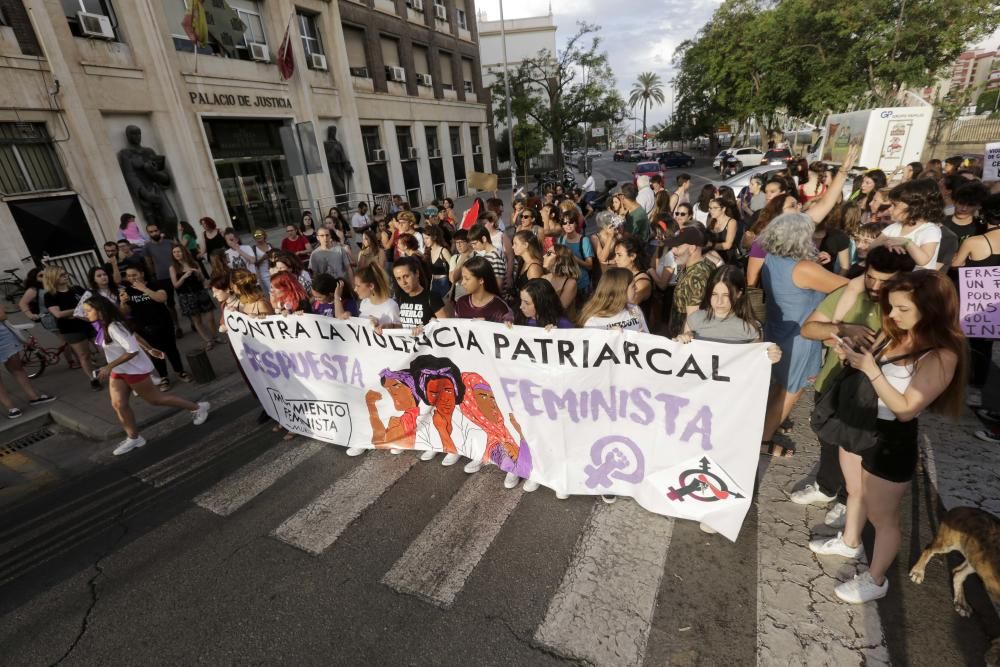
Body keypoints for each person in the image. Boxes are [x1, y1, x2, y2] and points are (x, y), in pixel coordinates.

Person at [809, 271, 965, 604]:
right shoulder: (894, 330)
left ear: (931, 309)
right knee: (854, 492)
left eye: (902, 309)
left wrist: (870, 370)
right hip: (859, 422)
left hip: (891, 438)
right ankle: (850, 540)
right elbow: (868, 366)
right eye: (891, 307)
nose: (891, 315)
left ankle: (876, 579)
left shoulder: (941, 355)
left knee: (883, 517)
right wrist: (851, 358)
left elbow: (907, 408)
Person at [793, 247, 916, 527]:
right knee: (828, 441)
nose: (875, 286)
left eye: (885, 282)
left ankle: (849, 502)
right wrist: (844, 329)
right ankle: (826, 486)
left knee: (859, 450)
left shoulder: (907, 306)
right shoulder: (849, 295)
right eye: (871, 278)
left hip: (871, 396)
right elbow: (808, 330)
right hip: (832, 383)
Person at [758, 213, 849, 457]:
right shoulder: (805, 268)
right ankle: (764, 440)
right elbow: (848, 287)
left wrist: (814, 266)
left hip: (778, 328)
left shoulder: (771, 258)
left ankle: (766, 424)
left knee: (779, 385)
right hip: (801, 335)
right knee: (791, 389)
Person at [83, 297, 208, 456]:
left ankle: (198, 408)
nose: (85, 314)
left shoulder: (114, 326)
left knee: (156, 400)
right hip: (120, 370)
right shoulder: (104, 324)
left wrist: (109, 366)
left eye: (88, 311)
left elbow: (132, 349)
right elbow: (134, 336)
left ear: (100, 311)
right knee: (118, 404)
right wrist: (149, 349)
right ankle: (134, 438)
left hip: (134, 370)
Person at [952, 193, 1000, 394]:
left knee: (962, 340)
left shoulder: (975, 241)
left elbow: (956, 263)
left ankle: (957, 382)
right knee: (985, 346)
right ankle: (977, 388)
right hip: (996, 298)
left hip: (975, 295)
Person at [120, 264, 192, 391]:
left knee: (171, 348)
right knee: (154, 351)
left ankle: (180, 371)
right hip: (144, 326)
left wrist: (144, 289)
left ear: (141, 274)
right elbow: (125, 312)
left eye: (134, 275)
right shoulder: (127, 291)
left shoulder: (155, 284)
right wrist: (123, 302)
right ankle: (164, 377)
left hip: (163, 322)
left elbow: (162, 298)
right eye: (129, 276)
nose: (131, 278)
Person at [41, 267, 99, 390]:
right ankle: (93, 379)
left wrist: (74, 313)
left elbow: (91, 302)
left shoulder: (76, 289)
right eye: (62, 275)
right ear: (53, 278)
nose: (66, 276)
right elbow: (58, 314)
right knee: (84, 355)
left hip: (89, 323)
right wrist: (79, 309)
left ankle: (115, 371)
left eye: (65, 273)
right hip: (71, 329)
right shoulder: (50, 295)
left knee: (103, 346)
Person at [867, 179, 943, 271]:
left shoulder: (930, 230)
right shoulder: (895, 227)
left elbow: (923, 260)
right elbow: (871, 248)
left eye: (894, 205)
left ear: (914, 208)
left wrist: (907, 243)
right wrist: (885, 243)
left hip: (917, 281)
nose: (889, 209)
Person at [0, 308, 56, 418]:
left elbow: (2, 315)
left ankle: (34, 397)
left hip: (3, 337)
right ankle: (11, 408)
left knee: (17, 368)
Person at [665, 226, 713, 338]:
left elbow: (692, 319)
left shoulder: (696, 277)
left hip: (683, 341)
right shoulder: (702, 264)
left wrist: (681, 345)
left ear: (692, 248)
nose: (673, 250)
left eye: (677, 246)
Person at [169, 244, 218, 350]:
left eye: (179, 251)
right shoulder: (173, 268)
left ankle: (215, 337)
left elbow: (203, 280)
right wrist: (184, 276)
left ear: (184, 252)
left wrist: (199, 274)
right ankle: (208, 340)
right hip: (186, 296)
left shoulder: (194, 263)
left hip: (200, 292)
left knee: (210, 318)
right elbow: (175, 285)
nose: (176, 254)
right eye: (174, 252)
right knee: (197, 320)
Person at [579, 267, 649, 333]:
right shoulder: (593, 322)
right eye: (633, 286)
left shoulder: (635, 309)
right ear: (621, 290)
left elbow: (647, 338)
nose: (636, 288)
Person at [144, 223, 183, 337]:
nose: (154, 233)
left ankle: (193, 322)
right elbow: (148, 263)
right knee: (170, 304)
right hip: (162, 278)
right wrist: (153, 276)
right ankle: (177, 327)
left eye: (155, 230)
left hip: (177, 274)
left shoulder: (170, 243)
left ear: (159, 230)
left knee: (184, 299)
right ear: (148, 233)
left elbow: (179, 255)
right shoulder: (147, 247)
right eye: (151, 232)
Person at [453, 256, 514, 323]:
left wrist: (486, 326)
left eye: (467, 279)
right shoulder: (461, 303)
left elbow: (508, 331)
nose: (462, 283)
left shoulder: (500, 308)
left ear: (481, 280)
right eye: (462, 278)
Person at [393, 256, 447, 329]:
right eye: (398, 278)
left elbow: (446, 327)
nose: (403, 282)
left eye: (406, 276)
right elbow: (404, 327)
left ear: (417, 273)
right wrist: (389, 326)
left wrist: (426, 328)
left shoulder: (432, 298)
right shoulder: (400, 298)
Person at [556, 210, 594, 300]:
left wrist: (574, 258)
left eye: (571, 222)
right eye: (564, 223)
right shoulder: (560, 240)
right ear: (562, 226)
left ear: (576, 224)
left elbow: (590, 266)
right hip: (565, 284)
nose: (568, 225)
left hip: (582, 284)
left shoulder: (584, 240)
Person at [511, 230, 545, 308]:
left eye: (515, 243)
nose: (513, 247)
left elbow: (535, 296)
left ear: (526, 245)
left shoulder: (534, 268)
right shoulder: (523, 262)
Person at [543, 244, 580, 314]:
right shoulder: (544, 277)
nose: (544, 256)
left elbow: (560, 310)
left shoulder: (570, 283)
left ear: (560, 258)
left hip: (564, 323)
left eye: (548, 253)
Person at [705, 197, 740, 264]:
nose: (711, 210)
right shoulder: (711, 220)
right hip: (712, 258)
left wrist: (711, 245)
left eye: (715, 208)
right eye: (710, 208)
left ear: (723, 209)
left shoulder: (731, 222)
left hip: (727, 259)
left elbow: (728, 245)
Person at [424, 225, 452, 299]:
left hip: (444, 283)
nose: (425, 241)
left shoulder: (443, 251)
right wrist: (431, 286)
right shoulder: (428, 252)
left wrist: (452, 289)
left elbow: (453, 269)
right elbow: (432, 273)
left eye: (427, 238)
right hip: (434, 283)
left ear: (434, 237)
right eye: (424, 238)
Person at [250, 229, 273, 295]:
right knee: (272, 291)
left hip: (274, 270)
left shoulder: (269, 245)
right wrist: (263, 258)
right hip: (264, 274)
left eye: (260, 235)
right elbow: (255, 263)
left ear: (264, 235)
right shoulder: (254, 248)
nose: (258, 237)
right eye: (256, 236)